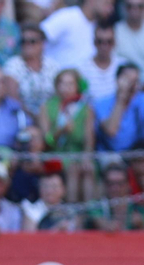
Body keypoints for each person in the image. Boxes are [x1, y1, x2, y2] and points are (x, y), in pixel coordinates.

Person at [39, 69, 96, 201]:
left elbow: (89, 138)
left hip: (78, 153)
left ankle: (90, 213)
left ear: (77, 86)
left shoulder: (85, 108)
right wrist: (60, 130)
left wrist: (87, 157)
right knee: (73, 168)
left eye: (70, 84)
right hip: (56, 154)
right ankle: (72, 211)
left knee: (89, 169)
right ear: (57, 86)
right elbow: (46, 141)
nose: (66, 88)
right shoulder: (47, 106)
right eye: (63, 84)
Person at [96, 63, 144, 154]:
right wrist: (121, 97)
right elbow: (111, 131)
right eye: (129, 80)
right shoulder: (102, 103)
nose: (133, 86)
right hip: (111, 154)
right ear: (117, 80)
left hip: (137, 154)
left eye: (136, 81)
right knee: (114, 168)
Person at [3, 22, 62, 117]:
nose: (27, 44)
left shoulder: (53, 66)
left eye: (32, 41)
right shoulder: (12, 65)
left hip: (52, 117)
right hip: (22, 117)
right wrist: (36, 119)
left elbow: (61, 95)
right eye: (23, 41)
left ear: (43, 44)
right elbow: (13, 100)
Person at [42, 0, 112, 77]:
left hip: (84, 85)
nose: (111, 9)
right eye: (107, 3)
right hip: (57, 81)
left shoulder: (99, 28)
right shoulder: (67, 16)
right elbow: (36, 37)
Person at [84, 161, 144, 230]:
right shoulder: (97, 206)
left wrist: (142, 226)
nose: (115, 188)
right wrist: (104, 224)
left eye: (120, 183)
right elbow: (94, 217)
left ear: (128, 185)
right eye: (111, 183)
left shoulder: (139, 210)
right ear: (104, 185)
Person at [81, 20, 122, 104]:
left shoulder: (123, 66)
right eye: (100, 42)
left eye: (109, 42)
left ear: (114, 42)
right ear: (94, 42)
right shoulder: (82, 69)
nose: (104, 46)